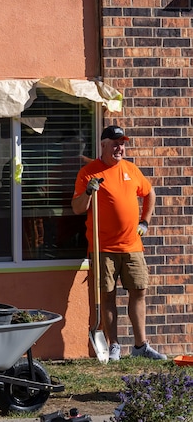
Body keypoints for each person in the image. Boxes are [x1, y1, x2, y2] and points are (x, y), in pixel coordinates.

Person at [71, 125, 165, 361]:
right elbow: (77, 208)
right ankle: (114, 346)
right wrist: (89, 192)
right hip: (104, 248)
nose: (120, 148)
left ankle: (141, 345)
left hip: (132, 245)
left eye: (122, 143)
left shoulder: (131, 169)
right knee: (108, 295)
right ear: (103, 145)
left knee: (139, 291)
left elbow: (149, 193)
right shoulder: (89, 172)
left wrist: (145, 221)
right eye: (115, 143)